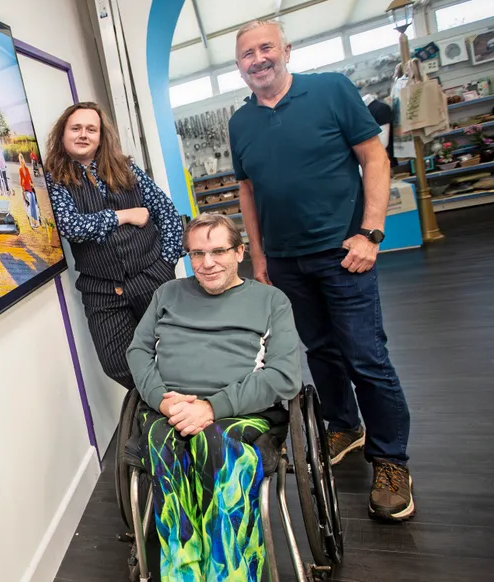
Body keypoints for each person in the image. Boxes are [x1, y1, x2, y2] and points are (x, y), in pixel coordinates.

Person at [228, 19, 413, 522]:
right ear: (239, 66)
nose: (258, 58)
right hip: (286, 262)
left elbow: (374, 158)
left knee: (366, 357)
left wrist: (372, 232)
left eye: (266, 47)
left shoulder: (331, 90)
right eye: (247, 53)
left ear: (286, 49)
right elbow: (248, 191)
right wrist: (259, 257)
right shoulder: (240, 122)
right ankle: (345, 426)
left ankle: (392, 460)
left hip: (343, 253)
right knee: (321, 351)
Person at [126, 213, 302, 581]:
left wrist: (211, 407)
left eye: (218, 251)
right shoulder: (167, 294)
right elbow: (138, 352)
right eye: (196, 254)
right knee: (161, 441)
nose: (207, 263)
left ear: (240, 252)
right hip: (168, 409)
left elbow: (284, 376)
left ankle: (230, 572)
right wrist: (162, 400)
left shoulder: (271, 301)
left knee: (216, 443)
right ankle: (183, 571)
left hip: (241, 412)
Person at [45, 101, 183, 389]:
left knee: (177, 355)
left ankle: (192, 418)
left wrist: (166, 262)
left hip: (152, 279)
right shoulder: (54, 181)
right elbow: (72, 227)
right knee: (117, 364)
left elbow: (166, 212)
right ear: (63, 134)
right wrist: (125, 215)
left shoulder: (125, 169)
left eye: (91, 129)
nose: (83, 134)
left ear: (101, 136)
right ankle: (164, 407)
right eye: (76, 128)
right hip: (102, 291)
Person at [18, 152, 39, 228]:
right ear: (20, 162)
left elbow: (29, 178)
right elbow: (21, 180)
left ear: (23, 160)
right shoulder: (20, 170)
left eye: (22, 159)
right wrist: (23, 189)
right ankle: (32, 220)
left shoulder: (26, 169)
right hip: (25, 189)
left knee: (33, 202)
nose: (21, 161)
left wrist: (32, 184)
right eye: (20, 160)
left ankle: (36, 220)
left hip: (30, 188)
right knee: (30, 201)